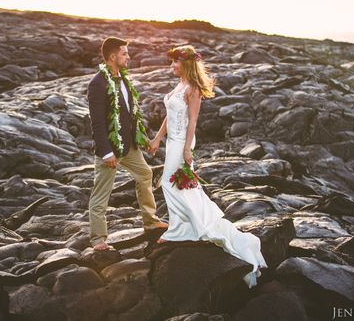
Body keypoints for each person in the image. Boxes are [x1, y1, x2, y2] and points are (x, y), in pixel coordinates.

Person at [147, 45, 267, 287]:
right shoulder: (178, 85)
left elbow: (193, 121)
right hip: (172, 141)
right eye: (171, 63)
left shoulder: (192, 89)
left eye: (175, 63)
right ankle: (182, 226)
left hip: (182, 141)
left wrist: (187, 148)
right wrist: (158, 138)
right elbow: (169, 115)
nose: (171, 67)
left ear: (187, 64)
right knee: (179, 186)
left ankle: (186, 229)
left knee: (171, 185)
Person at [87, 37, 168, 251]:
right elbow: (96, 121)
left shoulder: (124, 79)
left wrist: (143, 140)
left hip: (129, 146)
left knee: (145, 174)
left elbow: (131, 116)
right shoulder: (97, 83)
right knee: (101, 192)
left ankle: (150, 222)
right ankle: (98, 239)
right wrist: (105, 152)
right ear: (113, 56)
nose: (128, 57)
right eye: (124, 53)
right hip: (110, 149)